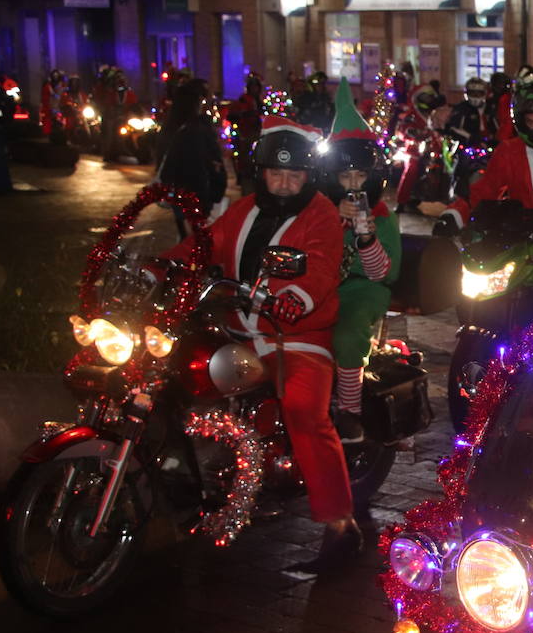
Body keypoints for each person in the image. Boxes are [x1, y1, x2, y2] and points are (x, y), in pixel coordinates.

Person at [162, 115, 358, 572]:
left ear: (309, 177)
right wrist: (161, 266)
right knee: (173, 370)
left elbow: (324, 267)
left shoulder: (323, 215)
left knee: (305, 413)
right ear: (261, 173)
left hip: (297, 336)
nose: (286, 183)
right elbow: (205, 245)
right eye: (277, 173)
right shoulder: (243, 207)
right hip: (236, 325)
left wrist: (296, 297)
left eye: (295, 174)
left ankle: (340, 524)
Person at [427, 80, 533, 325]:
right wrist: (455, 214)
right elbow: (484, 191)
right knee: (489, 277)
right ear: (519, 121)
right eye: (530, 122)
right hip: (522, 233)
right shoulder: (508, 151)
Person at [320, 85, 401, 447]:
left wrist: (365, 234)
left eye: (360, 177)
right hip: (321, 285)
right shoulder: (319, 212)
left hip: (361, 289)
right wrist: (333, 222)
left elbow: (380, 273)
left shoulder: (383, 217)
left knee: (348, 331)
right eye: (345, 177)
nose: (353, 185)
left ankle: (349, 411)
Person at [155, 78, 226, 237]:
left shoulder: (175, 127)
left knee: (188, 241)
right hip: (196, 197)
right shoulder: (193, 131)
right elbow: (203, 168)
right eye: (205, 97)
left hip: (184, 196)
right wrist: (213, 193)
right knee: (195, 244)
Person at [228, 73, 265, 195]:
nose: (255, 89)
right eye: (253, 87)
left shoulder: (259, 101)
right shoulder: (243, 99)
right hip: (246, 134)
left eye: (257, 87)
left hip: (257, 133)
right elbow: (233, 115)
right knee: (245, 160)